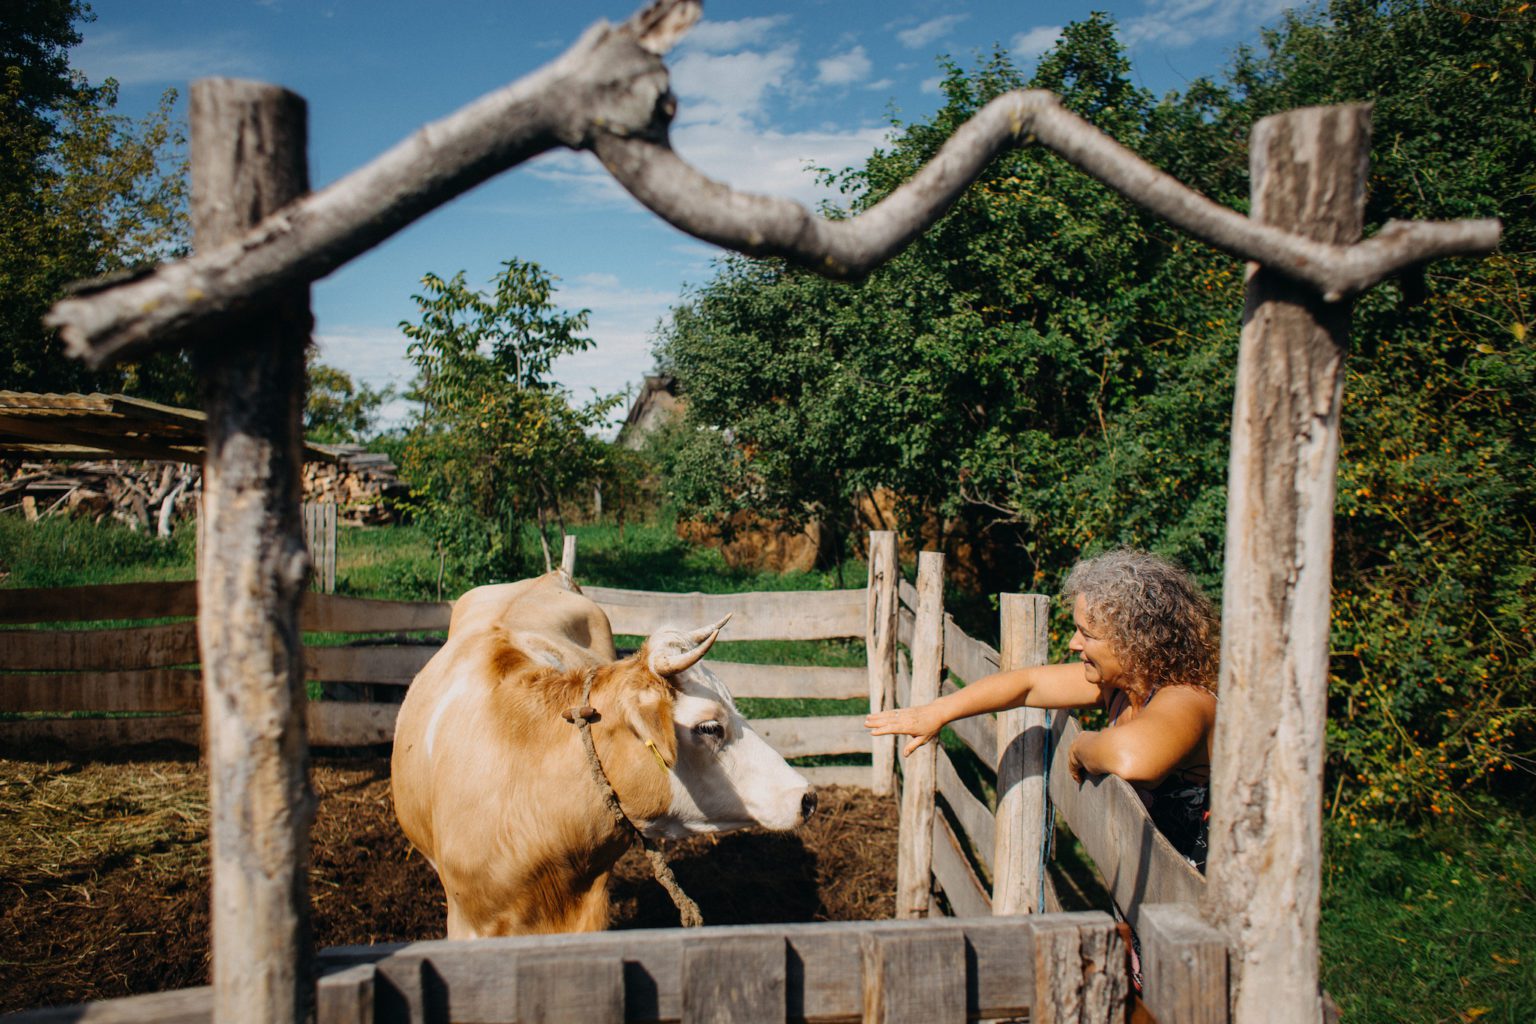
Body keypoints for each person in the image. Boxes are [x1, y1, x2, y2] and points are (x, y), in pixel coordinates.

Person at [864, 547, 1219, 870]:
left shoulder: (1186, 699)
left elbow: (1132, 758)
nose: (1073, 642)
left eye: (1087, 634)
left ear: (1136, 640)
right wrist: (938, 712)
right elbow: (1027, 684)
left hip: (1198, 918)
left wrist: (1082, 748)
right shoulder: (1122, 684)